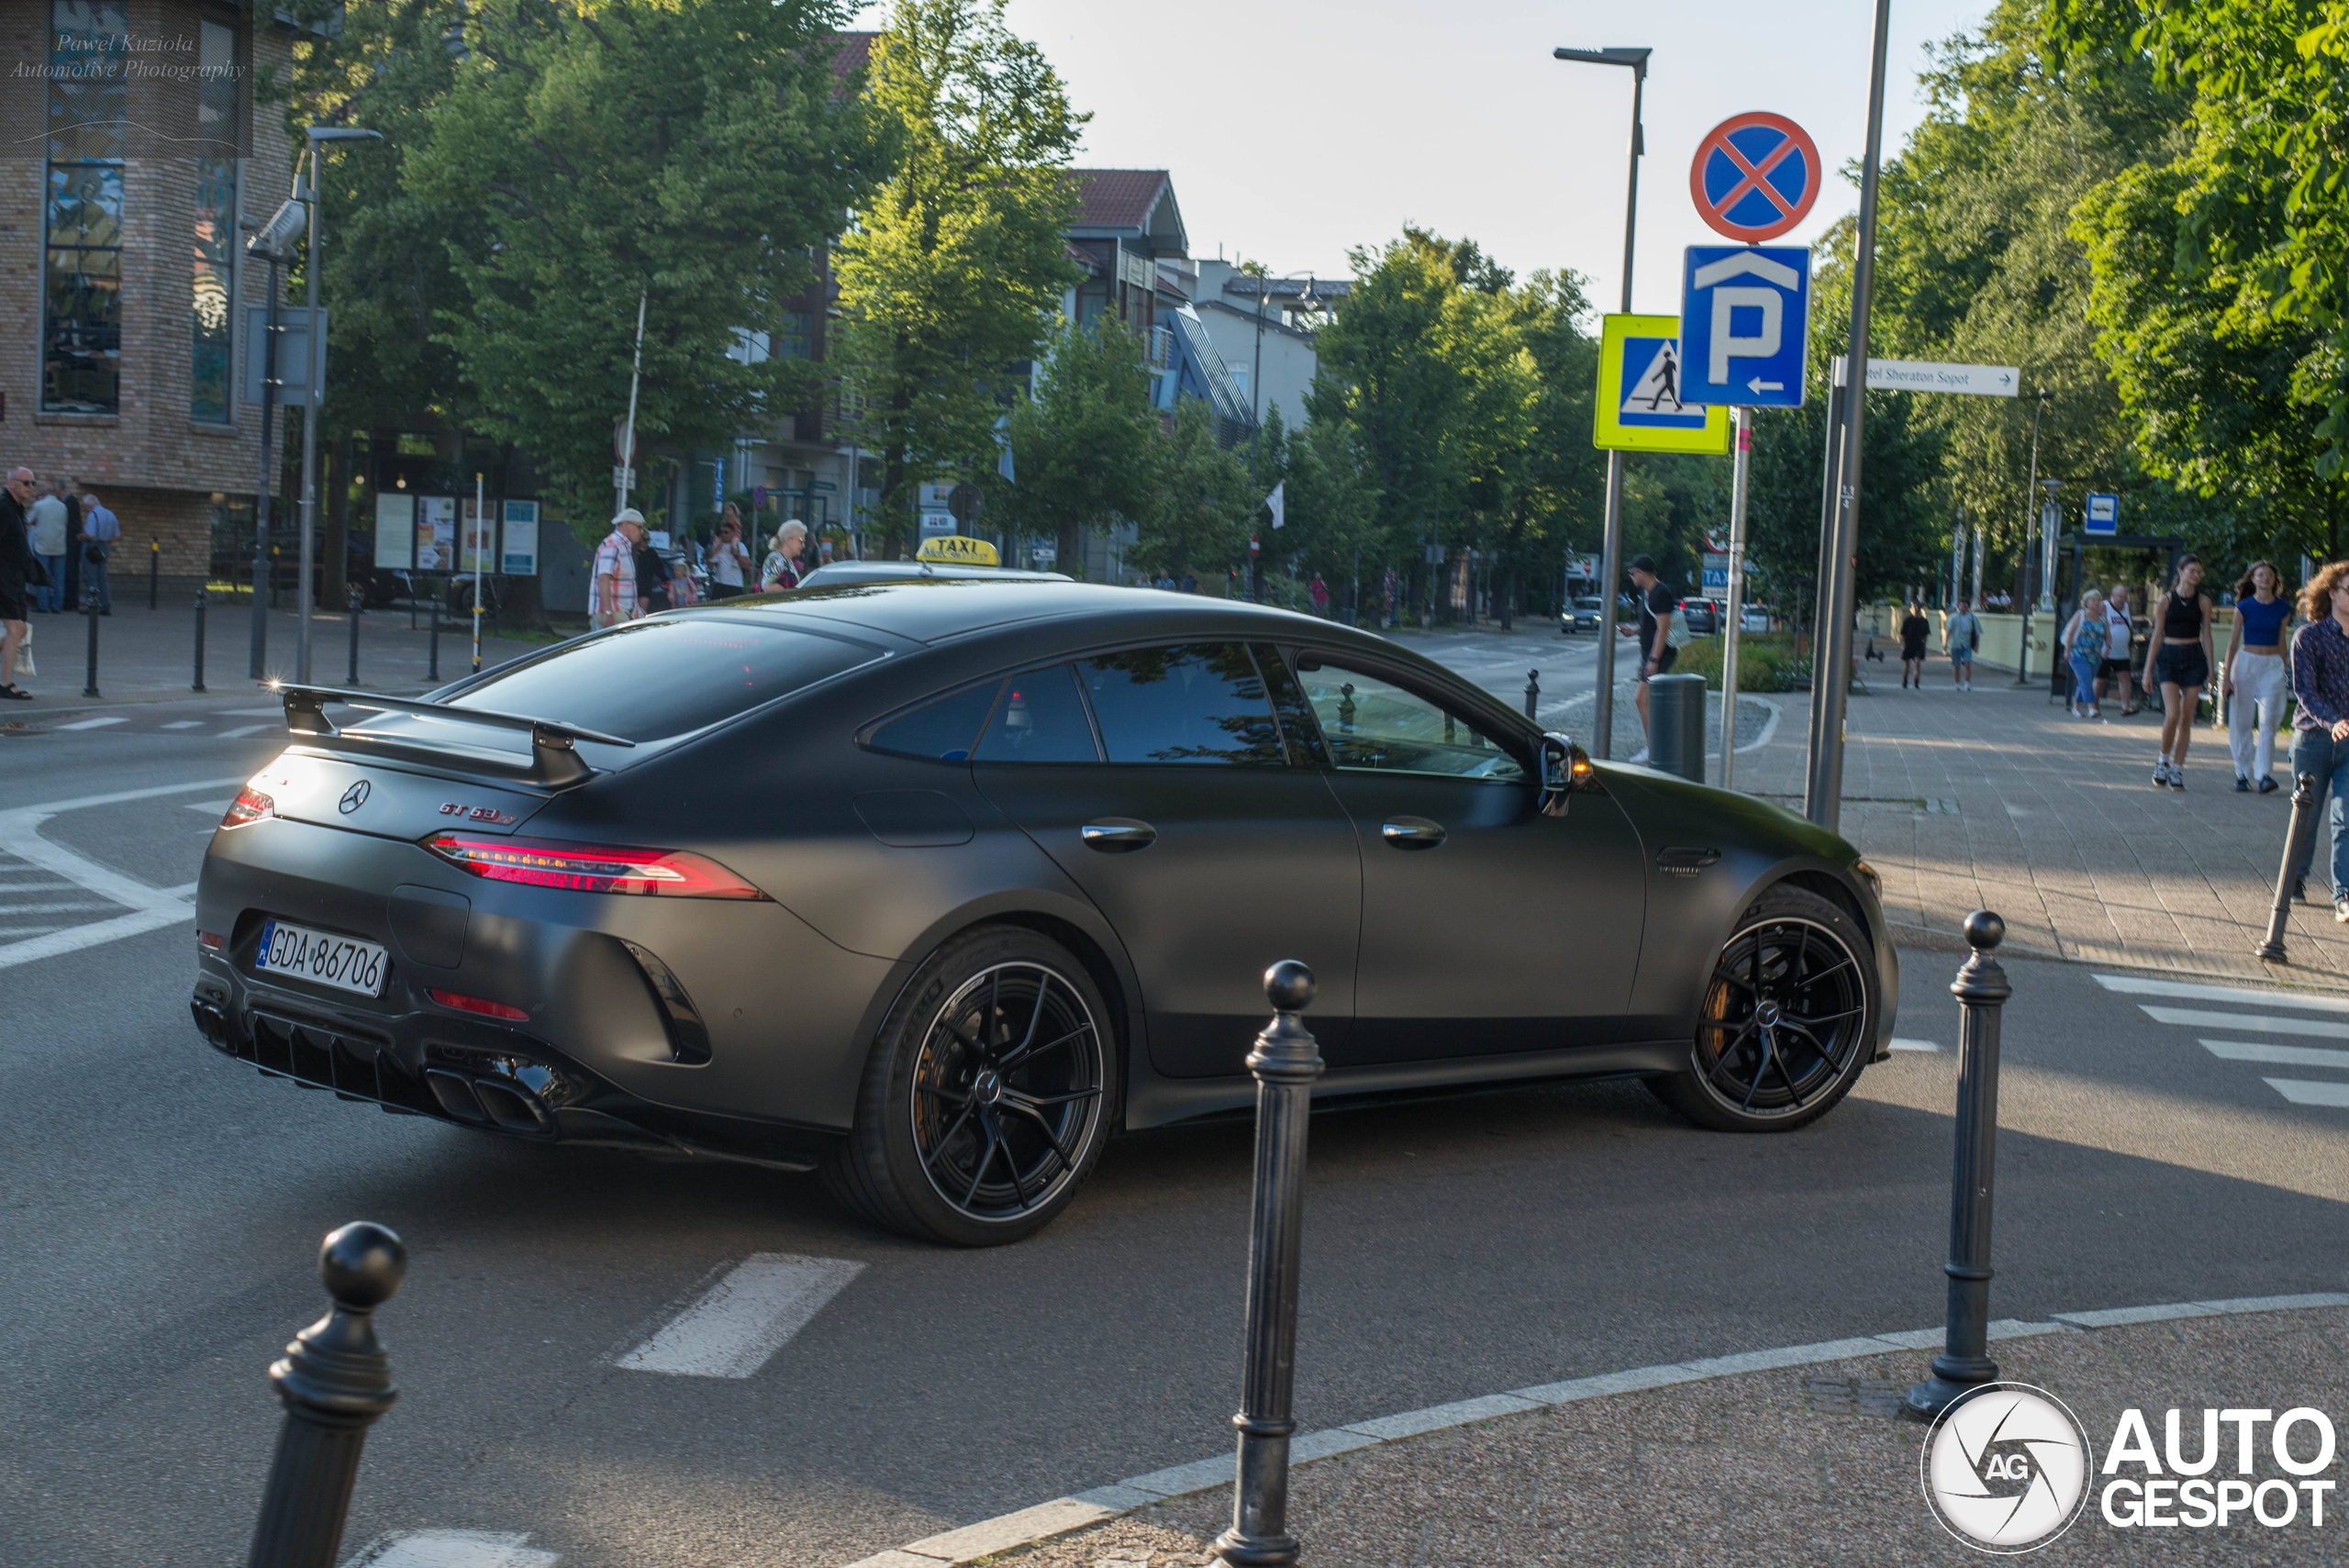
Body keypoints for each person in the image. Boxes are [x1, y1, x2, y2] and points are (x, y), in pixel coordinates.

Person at [2288, 560, 2349, 918]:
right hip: (2314, 740)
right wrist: (2333, 721)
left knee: (2346, 819)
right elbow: (2305, 692)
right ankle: (2294, 878)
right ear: (2333, 593)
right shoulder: (2308, 637)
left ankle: (2343, 894)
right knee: (2306, 818)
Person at [2143, 555, 2215, 789]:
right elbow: (2157, 636)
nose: (2196, 575)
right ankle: (2162, 761)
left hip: (2194, 657)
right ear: (2181, 571)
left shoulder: (2203, 601)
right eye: (2192, 570)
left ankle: (2178, 769)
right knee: (2172, 714)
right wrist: (2147, 671)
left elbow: (2207, 635)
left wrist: (2212, 669)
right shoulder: (2165, 600)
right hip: (2169, 658)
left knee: (2187, 717)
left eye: (2199, 572)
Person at [2221, 561, 2292, 793]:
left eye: (2269, 575)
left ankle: (2264, 775)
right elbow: (2233, 643)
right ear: (2253, 579)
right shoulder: (2244, 606)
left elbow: (2282, 639)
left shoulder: (2283, 608)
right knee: (2242, 721)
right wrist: (2227, 679)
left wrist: (2284, 666)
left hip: (2272, 665)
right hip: (2246, 663)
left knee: (2268, 721)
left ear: (2274, 580)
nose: (2265, 578)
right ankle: (2241, 773)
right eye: (2260, 575)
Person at [1624, 554, 1677, 751]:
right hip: (1650, 653)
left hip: (1659, 654)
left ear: (1642, 573)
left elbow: (1663, 629)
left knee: (1642, 698)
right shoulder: (1648, 594)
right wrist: (1635, 631)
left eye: (1633, 572)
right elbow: (1652, 624)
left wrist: (1654, 659)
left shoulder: (1660, 593)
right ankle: (1656, 746)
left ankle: (1653, 748)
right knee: (1648, 700)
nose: (1631, 576)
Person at [0, 468, 35, 697]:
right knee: (15, 629)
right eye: (26, 483)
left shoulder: (15, 508)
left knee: (20, 629)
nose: (30, 487)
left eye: (33, 483)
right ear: (12, 483)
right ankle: (5, 685)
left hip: (14, 578)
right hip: (4, 578)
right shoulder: (4, 507)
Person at [2061, 588, 2111, 719]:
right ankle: (2091, 708)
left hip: (2095, 656)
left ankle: (2076, 707)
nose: (2096, 602)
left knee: (2084, 682)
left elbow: (2108, 636)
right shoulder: (2081, 615)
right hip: (2078, 655)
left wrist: (2107, 648)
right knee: (2086, 680)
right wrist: (2067, 650)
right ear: (2086, 602)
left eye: (2098, 600)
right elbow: (2071, 633)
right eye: (2093, 600)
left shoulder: (2103, 619)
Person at [591, 507, 645, 630]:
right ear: (626, 525)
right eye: (639, 527)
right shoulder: (613, 545)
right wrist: (608, 613)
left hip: (619, 612)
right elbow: (604, 579)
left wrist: (636, 607)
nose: (641, 531)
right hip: (615, 613)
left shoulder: (621, 546)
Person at [25, 481, 65, 614]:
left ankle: (43, 605)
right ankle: (57, 606)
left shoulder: (39, 505)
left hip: (42, 545)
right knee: (59, 578)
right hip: (59, 546)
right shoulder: (63, 506)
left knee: (42, 576)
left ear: (46, 492)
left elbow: (28, 520)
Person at [79, 490, 117, 614]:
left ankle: (93, 604)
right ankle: (105, 605)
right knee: (102, 577)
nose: (85, 509)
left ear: (89, 505)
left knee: (91, 577)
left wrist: (81, 537)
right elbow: (115, 535)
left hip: (92, 547)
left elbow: (90, 535)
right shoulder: (110, 514)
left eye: (85, 507)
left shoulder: (93, 515)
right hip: (104, 547)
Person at [2101, 585, 2138, 714]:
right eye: (2119, 596)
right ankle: (2093, 706)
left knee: (2125, 677)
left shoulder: (2127, 607)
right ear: (2112, 595)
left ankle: (2125, 706)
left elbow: (2130, 626)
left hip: (2122, 651)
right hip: (2106, 651)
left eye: (2124, 597)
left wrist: (2131, 640)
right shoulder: (2104, 606)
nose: (2122, 599)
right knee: (2100, 679)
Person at [707, 510, 751, 600]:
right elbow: (709, 566)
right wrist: (715, 551)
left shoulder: (740, 546)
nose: (723, 534)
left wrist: (736, 554)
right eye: (721, 532)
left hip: (734, 586)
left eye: (726, 532)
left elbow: (746, 565)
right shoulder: (718, 546)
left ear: (733, 533)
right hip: (719, 584)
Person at [1943, 596, 1980, 690]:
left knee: (1967, 664)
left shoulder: (1972, 618)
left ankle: (1967, 683)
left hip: (1967, 644)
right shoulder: (1953, 617)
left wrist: (1976, 645)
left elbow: (1977, 632)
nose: (1963, 608)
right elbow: (1948, 630)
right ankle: (1957, 683)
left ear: (1968, 607)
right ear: (1958, 606)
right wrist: (1945, 642)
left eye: (1965, 606)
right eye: (1961, 606)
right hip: (1956, 644)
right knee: (1957, 665)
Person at [761, 519, 808, 591]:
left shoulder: (787, 561)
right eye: (801, 540)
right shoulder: (776, 559)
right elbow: (767, 587)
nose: (803, 545)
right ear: (788, 540)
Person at [1898, 602, 1931, 688]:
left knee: (1917, 662)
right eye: (1916, 607)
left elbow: (1925, 635)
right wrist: (1904, 645)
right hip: (1909, 644)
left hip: (1919, 645)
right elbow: (1903, 634)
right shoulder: (1908, 620)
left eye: (1919, 607)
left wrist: (1924, 645)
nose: (1917, 609)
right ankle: (1905, 681)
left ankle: (1916, 682)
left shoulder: (1924, 621)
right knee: (1907, 665)